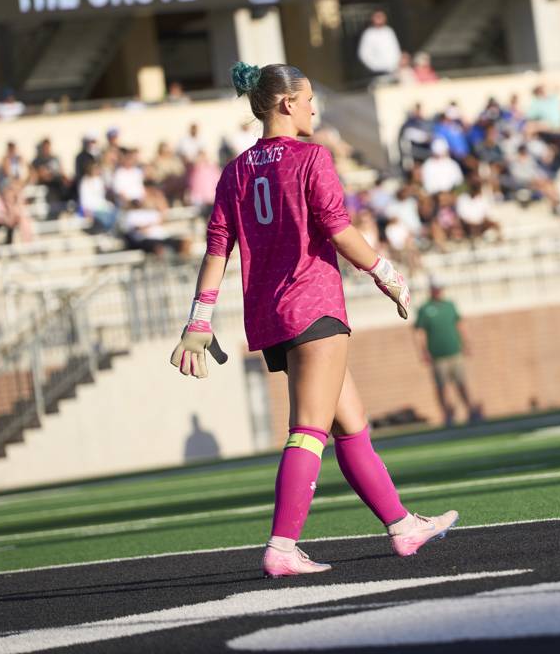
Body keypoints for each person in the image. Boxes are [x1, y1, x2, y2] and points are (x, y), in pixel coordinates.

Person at [169, 61, 456, 578]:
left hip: (272, 315)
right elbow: (337, 228)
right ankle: (282, 546)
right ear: (286, 104)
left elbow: (216, 249)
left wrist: (199, 320)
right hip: (313, 306)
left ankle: (401, 525)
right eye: (307, 101)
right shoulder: (311, 156)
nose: (313, 110)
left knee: (352, 424)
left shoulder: (235, 170)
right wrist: (386, 273)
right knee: (308, 430)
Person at [414, 278, 481, 426]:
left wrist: (467, 343)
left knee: (462, 383)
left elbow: (460, 324)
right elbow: (420, 332)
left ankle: (471, 410)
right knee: (442, 387)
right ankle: (447, 414)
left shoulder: (450, 305)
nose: (438, 291)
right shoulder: (425, 309)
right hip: (438, 356)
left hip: (454, 352)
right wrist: (423, 352)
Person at [357, 10, 402, 78]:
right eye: (377, 17)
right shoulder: (369, 33)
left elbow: (395, 48)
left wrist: (397, 63)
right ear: (372, 18)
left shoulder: (389, 31)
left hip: (392, 69)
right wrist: (374, 67)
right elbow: (363, 54)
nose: (379, 19)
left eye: (381, 16)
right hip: (377, 71)